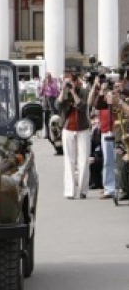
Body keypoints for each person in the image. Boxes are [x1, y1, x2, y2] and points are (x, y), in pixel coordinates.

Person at [57, 71, 91, 199]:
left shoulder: (83, 91)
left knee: (84, 160)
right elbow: (58, 105)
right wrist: (63, 90)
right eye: (67, 81)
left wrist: (73, 92)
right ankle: (70, 191)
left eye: (71, 81)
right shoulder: (64, 92)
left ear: (76, 82)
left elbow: (82, 106)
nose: (69, 84)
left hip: (83, 128)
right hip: (68, 128)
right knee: (69, 160)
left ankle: (83, 190)